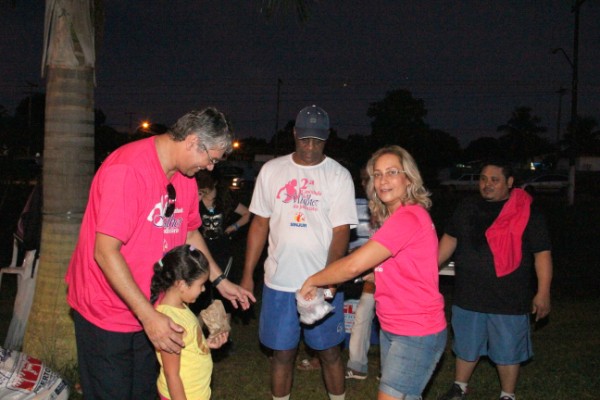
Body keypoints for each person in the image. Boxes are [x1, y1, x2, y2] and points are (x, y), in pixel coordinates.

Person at [65, 108, 255, 399]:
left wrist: (219, 280)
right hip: (106, 310)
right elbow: (105, 252)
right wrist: (148, 317)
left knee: (144, 392)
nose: (210, 168)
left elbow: (189, 232)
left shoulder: (185, 179)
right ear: (193, 141)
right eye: (211, 159)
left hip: (153, 309)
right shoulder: (128, 170)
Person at [299, 145, 447, 400]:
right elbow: (398, 268)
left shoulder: (408, 218)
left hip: (415, 331)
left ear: (409, 178)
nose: (383, 180)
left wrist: (314, 280)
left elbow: (353, 264)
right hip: (395, 327)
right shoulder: (397, 217)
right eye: (377, 174)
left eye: (392, 172)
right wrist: (371, 275)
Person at [241, 105, 358, 400]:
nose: (310, 146)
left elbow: (341, 231)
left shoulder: (338, 175)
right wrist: (247, 275)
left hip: (321, 283)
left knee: (330, 352)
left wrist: (330, 278)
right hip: (279, 282)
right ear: (294, 134)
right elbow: (259, 224)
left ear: (327, 138)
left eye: (317, 140)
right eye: (305, 139)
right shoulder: (272, 170)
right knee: (282, 354)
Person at [437, 161, 553, 400]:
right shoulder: (467, 207)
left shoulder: (526, 211)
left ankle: (507, 395)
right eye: (483, 179)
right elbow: (450, 238)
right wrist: (429, 269)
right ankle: (459, 387)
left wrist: (543, 292)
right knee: (466, 344)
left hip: (509, 296)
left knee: (508, 349)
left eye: (494, 179)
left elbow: (542, 254)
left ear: (509, 182)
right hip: (468, 293)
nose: (486, 184)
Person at [151, 244, 229, 400]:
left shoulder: (181, 306)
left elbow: (187, 346)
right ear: (182, 284)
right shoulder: (171, 324)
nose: (203, 290)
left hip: (196, 392)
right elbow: (171, 375)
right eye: (201, 285)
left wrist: (205, 344)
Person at [191, 170, 251, 315]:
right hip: (201, 250)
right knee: (201, 294)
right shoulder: (196, 201)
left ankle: (224, 326)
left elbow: (247, 213)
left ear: (214, 184)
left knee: (223, 296)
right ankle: (199, 326)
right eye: (200, 190)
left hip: (222, 251)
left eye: (205, 190)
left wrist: (233, 227)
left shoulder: (225, 199)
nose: (202, 194)